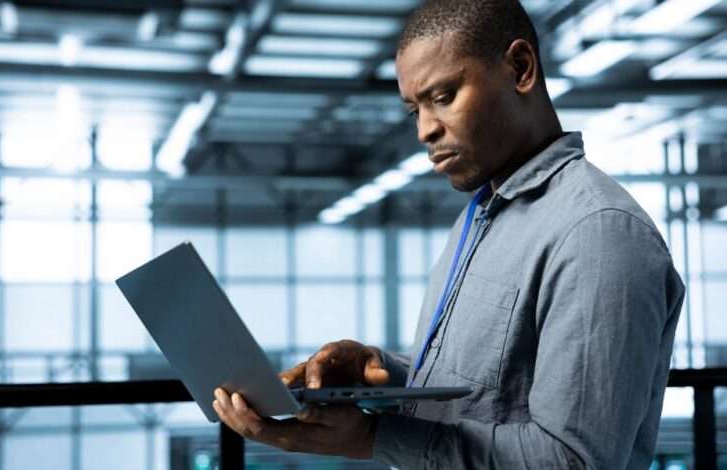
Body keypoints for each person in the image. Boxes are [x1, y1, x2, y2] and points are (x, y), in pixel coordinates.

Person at [211, 0, 686, 468]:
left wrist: (374, 437)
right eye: (413, 109)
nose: (424, 131)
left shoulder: (597, 234)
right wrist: (383, 372)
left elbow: (572, 462)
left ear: (521, 69)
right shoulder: (481, 217)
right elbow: (488, 391)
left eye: (442, 97)